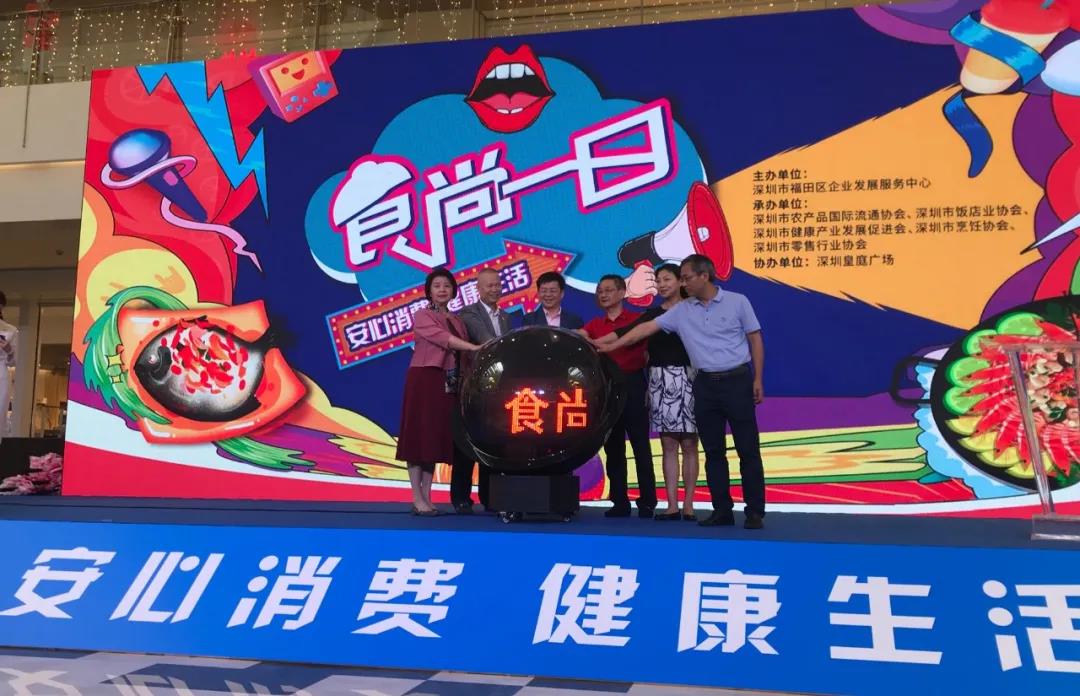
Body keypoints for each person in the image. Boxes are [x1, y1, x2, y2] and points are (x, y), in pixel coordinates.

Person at [599, 254, 766, 529]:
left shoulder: (738, 301)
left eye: (686, 278)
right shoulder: (682, 310)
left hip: (737, 380)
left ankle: (755, 511)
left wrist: (758, 378)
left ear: (704, 276)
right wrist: (610, 347)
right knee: (713, 451)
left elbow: (755, 339)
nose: (684, 283)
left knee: (747, 448)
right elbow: (643, 329)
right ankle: (722, 510)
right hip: (704, 384)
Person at [595, 264, 699, 521]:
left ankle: (688, 504)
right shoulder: (653, 315)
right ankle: (672, 505)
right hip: (659, 380)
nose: (662, 285)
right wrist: (597, 344)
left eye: (667, 279)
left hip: (688, 378)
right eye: (658, 280)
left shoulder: (695, 309)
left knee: (689, 444)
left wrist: (610, 346)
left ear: (681, 282)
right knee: (668, 444)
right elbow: (625, 333)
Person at [396, 269, 481, 516]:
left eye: (446, 286)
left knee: (432, 439)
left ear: (453, 291)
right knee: (418, 438)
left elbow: (462, 357)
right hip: (425, 378)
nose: (442, 290)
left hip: (448, 382)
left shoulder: (458, 320)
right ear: (429, 292)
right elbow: (444, 339)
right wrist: (473, 347)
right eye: (437, 286)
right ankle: (417, 497)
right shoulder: (422, 315)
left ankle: (427, 497)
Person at [580, 275, 657, 518]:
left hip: (634, 384)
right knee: (613, 448)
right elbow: (580, 336)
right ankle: (619, 501)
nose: (603, 295)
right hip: (607, 388)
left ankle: (647, 501)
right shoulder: (594, 325)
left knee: (640, 445)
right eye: (600, 291)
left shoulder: (638, 320)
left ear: (622, 292)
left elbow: (650, 356)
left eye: (608, 290)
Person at [452, 268, 511, 513]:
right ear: (478, 288)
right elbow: (487, 340)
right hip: (473, 388)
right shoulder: (469, 313)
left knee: (493, 443)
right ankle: (460, 497)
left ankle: (490, 497)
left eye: (497, 284)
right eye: (489, 285)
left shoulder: (505, 316)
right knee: (466, 445)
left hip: (497, 390)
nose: (494, 289)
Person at [0, 291, 16, 443]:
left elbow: (14, 361)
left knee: (0, 416)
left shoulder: (10, 330)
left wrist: (8, 350)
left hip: (1, 374)